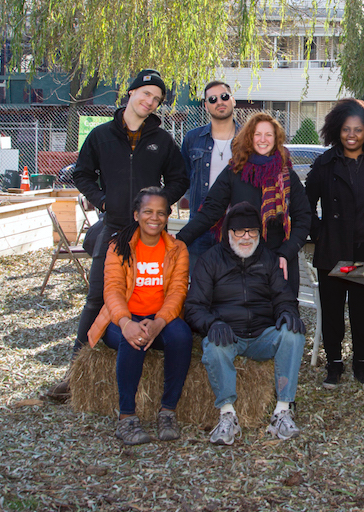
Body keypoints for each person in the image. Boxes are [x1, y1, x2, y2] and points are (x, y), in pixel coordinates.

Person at [50, 69, 189, 400]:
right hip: (113, 229)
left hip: (152, 233)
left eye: (156, 99)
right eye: (146, 94)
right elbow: (82, 174)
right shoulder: (100, 136)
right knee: (97, 299)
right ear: (131, 93)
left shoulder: (162, 141)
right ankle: (75, 375)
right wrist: (101, 200)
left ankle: (157, 353)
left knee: (156, 296)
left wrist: (155, 207)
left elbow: (180, 179)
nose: (150, 102)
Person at [185, 202, 306, 444]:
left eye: (252, 232)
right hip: (228, 333)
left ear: (259, 234)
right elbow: (193, 307)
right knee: (213, 347)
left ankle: (282, 411)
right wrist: (212, 324)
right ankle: (227, 415)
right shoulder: (210, 260)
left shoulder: (268, 259)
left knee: (294, 333)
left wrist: (286, 312)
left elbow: (284, 297)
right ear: (228, 233)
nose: (246, 237)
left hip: (263, 334)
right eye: (240, 232)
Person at [86, 187, 193, 445]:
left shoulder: (178, 249)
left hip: (159, 318)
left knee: (182, 336)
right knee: (132, 339)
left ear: (167, 216)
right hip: (120, 318)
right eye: (147, 211)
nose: (154, 218)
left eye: (160, 212)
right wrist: (126, 323)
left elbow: (178, 292)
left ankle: (167, 411)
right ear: (136, 215)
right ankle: (127, 417)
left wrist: (158, 323)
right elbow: (111, 291)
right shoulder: (118, 247)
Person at [176, 112, 311, 299]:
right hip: (242, 257)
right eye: (257, 134)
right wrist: (179, 241)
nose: (263, 140)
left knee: (282, 317)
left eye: (268, 135)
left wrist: (286, 253)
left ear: (276, 139)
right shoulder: (235, 171)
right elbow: (210, 211)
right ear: (249, 137)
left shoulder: (287, 175)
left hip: (278, 258)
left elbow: (303, 217)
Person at [306, 99, 364, 389]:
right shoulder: (325, 163)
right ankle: (334, 366)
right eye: (345, 129)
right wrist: (319, 233)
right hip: (333, 251)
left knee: (362, 309)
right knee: (332, 310)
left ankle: (361, 366)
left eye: (358, 129)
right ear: (336, 131)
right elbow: (306, 205)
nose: (351, 135)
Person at [180, 81, 240, 270]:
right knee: (199, 287)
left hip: (238, 226)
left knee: (235, 289)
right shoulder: (193, 138)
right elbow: (184, 178)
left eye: (224, 97)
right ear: (206, 106)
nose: (219, 102)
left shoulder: (248, 138)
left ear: (233, 100)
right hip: (200, 227)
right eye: (212, 99)